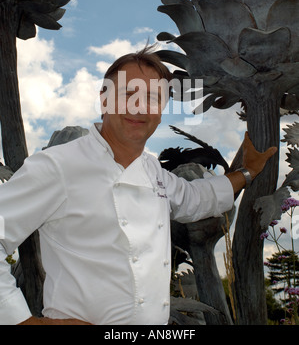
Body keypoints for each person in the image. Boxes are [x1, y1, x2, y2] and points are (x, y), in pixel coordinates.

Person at [0, 46, 277, 325]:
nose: (140, 107)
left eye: (153, 98)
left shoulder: (151, 169)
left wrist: (248, 171)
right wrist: (23, 322)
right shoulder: (58, 166)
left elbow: (195, 198)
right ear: (104, 99)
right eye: (128, 94)